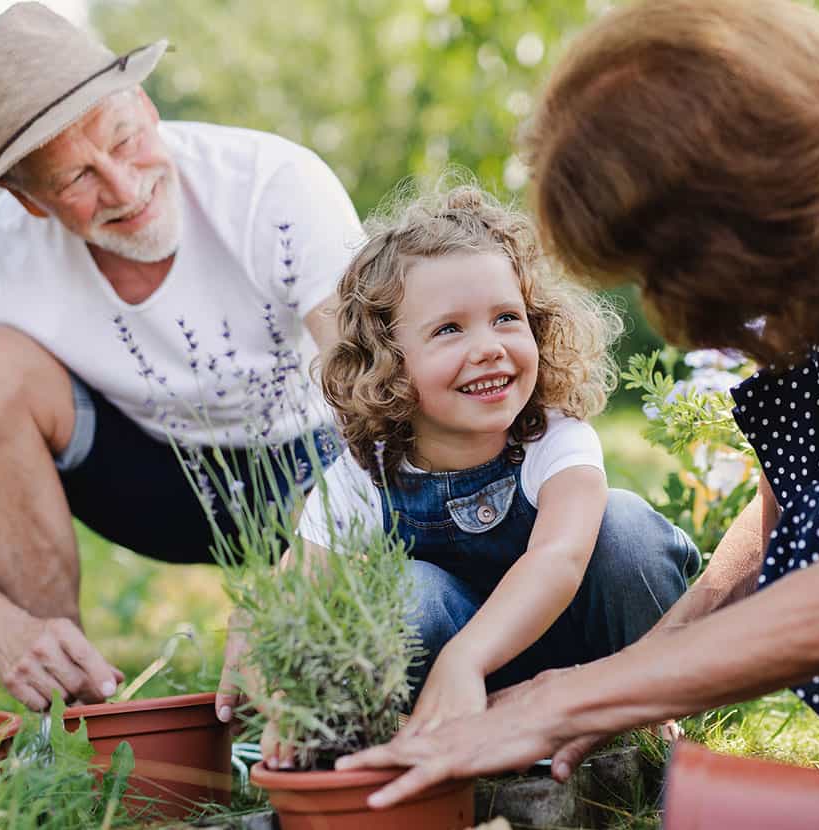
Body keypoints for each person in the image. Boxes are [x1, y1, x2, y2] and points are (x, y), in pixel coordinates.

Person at [335, 0, 819, 807]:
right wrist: (629, 678)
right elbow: (803, 510)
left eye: (656, 264)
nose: (666, 298)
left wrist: (567, 699)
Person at [0, 3, 361, 713]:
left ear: (142, 102)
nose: (124, 188)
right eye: (76, 179)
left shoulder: (274, 186)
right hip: (141, 478)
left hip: (310, 463)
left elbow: (383, 402)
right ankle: (72, 714)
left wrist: (312, 561)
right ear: (27, 201)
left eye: (123, 139)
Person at [246, 184, 699, 768]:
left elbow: (558, 559)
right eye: (449, 330)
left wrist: (468, 656)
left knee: (626, 526)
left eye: (506, 318)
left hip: (588, 664)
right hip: (457, 693)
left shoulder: (555, 439)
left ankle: (650, 723)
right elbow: (303, 589)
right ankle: (434, 742)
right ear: (388, 361)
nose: (488, 347)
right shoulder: (366, 472)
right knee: (398, 592)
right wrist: (289, 694)